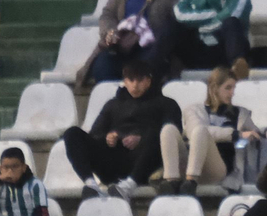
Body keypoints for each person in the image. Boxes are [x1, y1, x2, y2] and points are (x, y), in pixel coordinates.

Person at [61, 59, 184, 201]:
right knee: (72, 133)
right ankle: (91, 185)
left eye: (140, 80)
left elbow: (174, 133)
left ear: (149, 81)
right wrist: (109, 137)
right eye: (131, 80)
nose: (135, 85)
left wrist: (140, 139)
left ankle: (129, 186)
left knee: (157, 134)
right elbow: (95, 134)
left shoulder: (167, 104)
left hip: (144, 162)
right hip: (112, 161)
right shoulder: (113, 104)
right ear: (125, 81)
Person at [88, 0, 182, 86]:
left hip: (150, 48)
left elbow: (172, 28)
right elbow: (108, 14)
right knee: (102, 65)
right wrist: (110, 31)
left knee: (146, 67)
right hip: (121, 45)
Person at [179, 65, 262, 196]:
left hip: (220, 168)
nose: (232, 92)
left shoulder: (240, 113)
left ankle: (190, 183)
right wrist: (235, 134)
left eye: (234, 88)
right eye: (228, 88)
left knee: (202, 131)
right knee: (173, 130)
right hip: (194, 163)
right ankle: (176, 181)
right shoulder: (194, 110)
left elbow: (256, 131)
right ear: (214, 89)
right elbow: (195, 131)